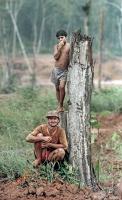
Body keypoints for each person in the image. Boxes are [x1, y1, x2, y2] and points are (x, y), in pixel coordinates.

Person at [51, 30, 70, 112]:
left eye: (62, 37)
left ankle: (61, 105)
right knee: (57, 88)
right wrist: (60, 48)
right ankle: (59, 105)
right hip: (56, 70)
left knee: (62, 87)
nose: (60, 39)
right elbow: (55, 57)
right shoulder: (56, 46)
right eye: (59, 38)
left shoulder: (70, 46)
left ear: (66, 37)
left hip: (64, 70)